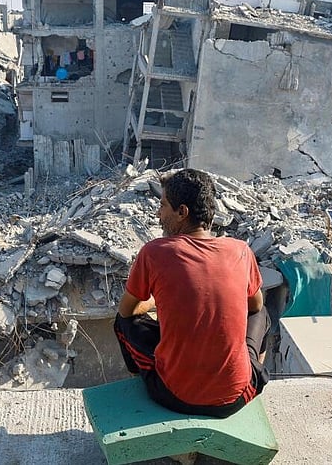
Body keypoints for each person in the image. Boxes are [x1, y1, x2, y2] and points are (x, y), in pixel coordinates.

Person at [114, 169, 269, 418]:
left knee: (122, 324)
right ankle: (252, 371)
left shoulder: (154, 252)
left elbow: (126, 311)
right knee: (262, 313)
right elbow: (255, 305)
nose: (158, 214)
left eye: (163, 206)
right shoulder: (240, 250)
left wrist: (156, 301)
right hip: (235, 399)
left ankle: (145, 380)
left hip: (174, 397)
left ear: (182, 212)